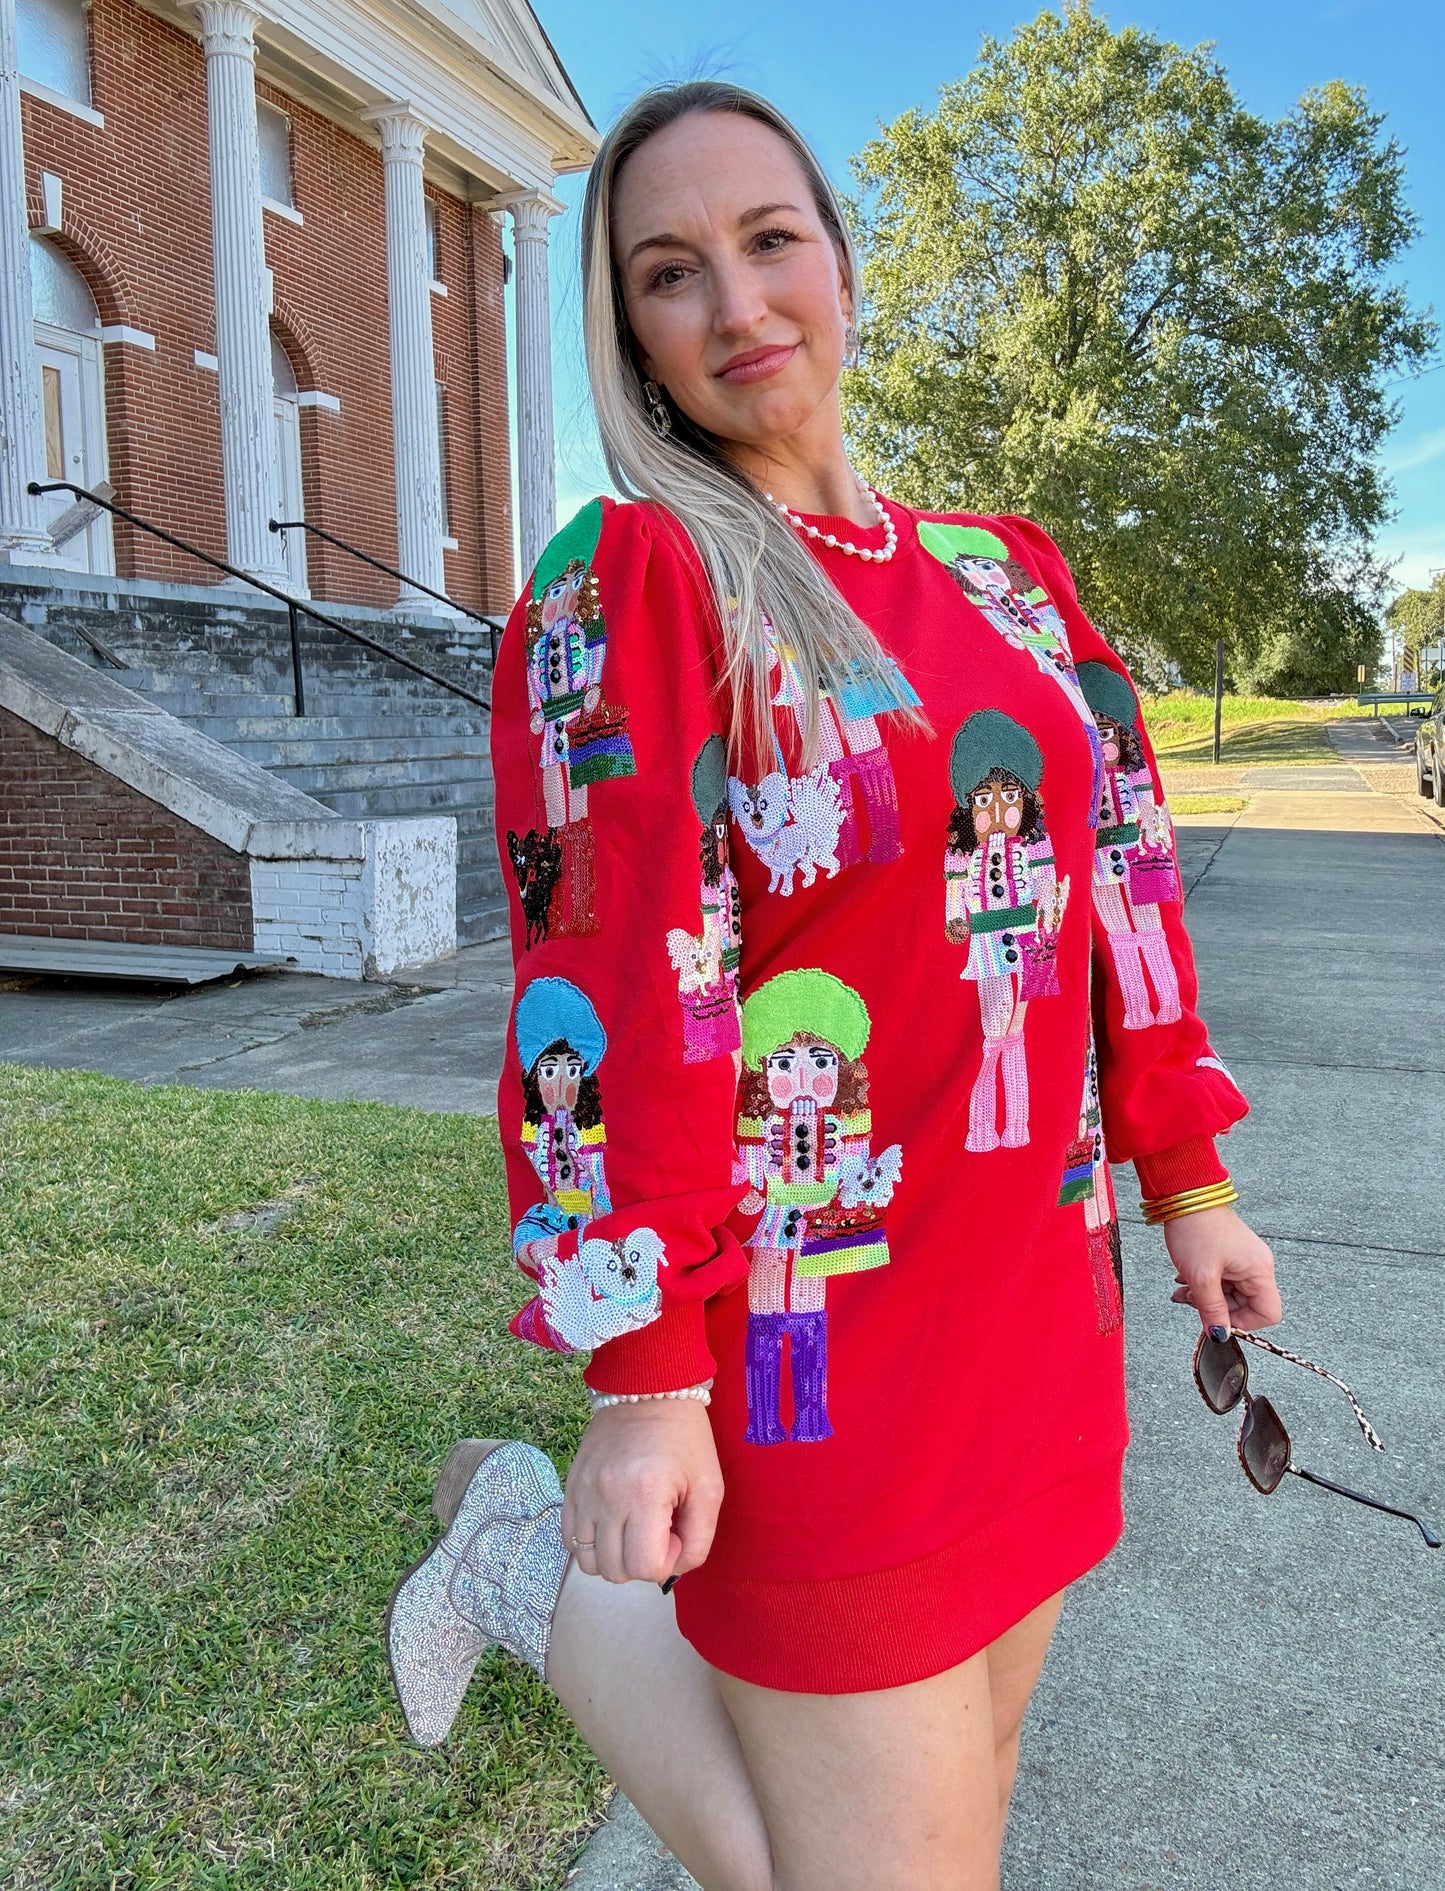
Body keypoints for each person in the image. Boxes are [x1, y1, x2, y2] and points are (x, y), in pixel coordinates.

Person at [383, 80, 1281, 1891]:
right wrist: (641, 1373)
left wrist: (1184, 1174)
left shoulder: (1005, 575)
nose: (737, 305)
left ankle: (498, 1555)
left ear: (847, 265)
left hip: (1031, 1304)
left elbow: (1119, 885)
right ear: (625, 333)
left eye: (769, 239)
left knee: (982, 1759)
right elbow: (606, 988)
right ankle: (511, 1553)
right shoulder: (627, 578)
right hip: (808, 1349)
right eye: (668, 272)